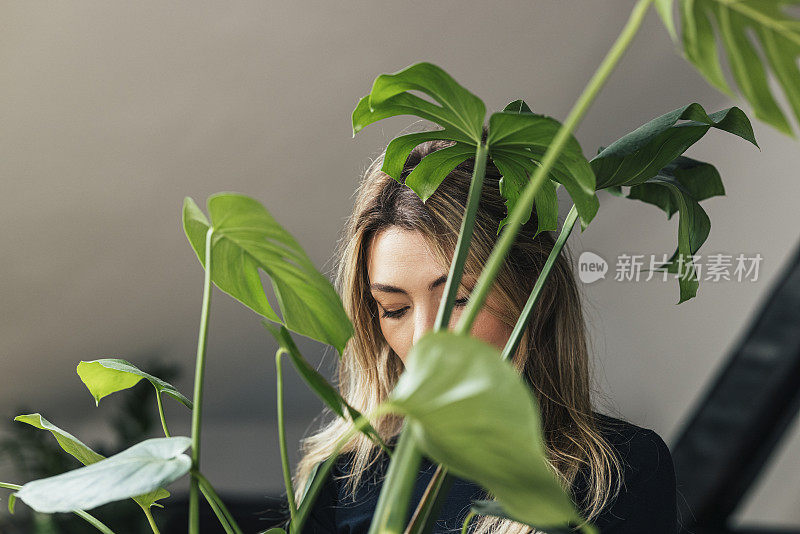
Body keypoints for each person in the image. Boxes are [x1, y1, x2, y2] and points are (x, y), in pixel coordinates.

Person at [280, 133, 678, 533]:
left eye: (459, 299)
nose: (424, 340)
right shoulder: (343, 478)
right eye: (395, 310)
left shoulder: (616, 472)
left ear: (531, 294)